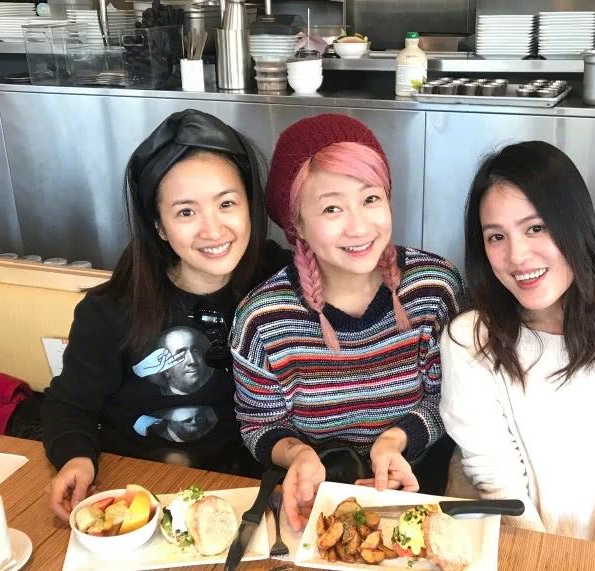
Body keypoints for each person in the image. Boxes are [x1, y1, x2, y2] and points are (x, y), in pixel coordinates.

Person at [439, 141, 595, 571]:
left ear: (573, 223)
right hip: (516, 551)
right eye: (496, 236)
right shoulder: (470, 339)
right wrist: (548, 561)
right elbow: (494, 470)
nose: (517, 256)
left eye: (535, 228)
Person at [42, 110, 290, 520]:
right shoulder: (111, 310)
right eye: (186, 212)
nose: (213, 230)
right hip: (147, 494)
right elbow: (69, 406)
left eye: (227, 203)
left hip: (255, 497)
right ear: (159, 225)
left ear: (250, 205)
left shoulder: (281, 279)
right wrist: (76, 458)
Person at [230, 114, 465, 532]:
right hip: (315, 507)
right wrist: (298, 455)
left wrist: (395, 440)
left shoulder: (433, 288)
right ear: (297, 224)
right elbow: (259, 424)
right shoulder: (261, 319)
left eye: (370, 198)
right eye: (332, 208)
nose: (358, 226)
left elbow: (449, 399)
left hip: (418, 495)